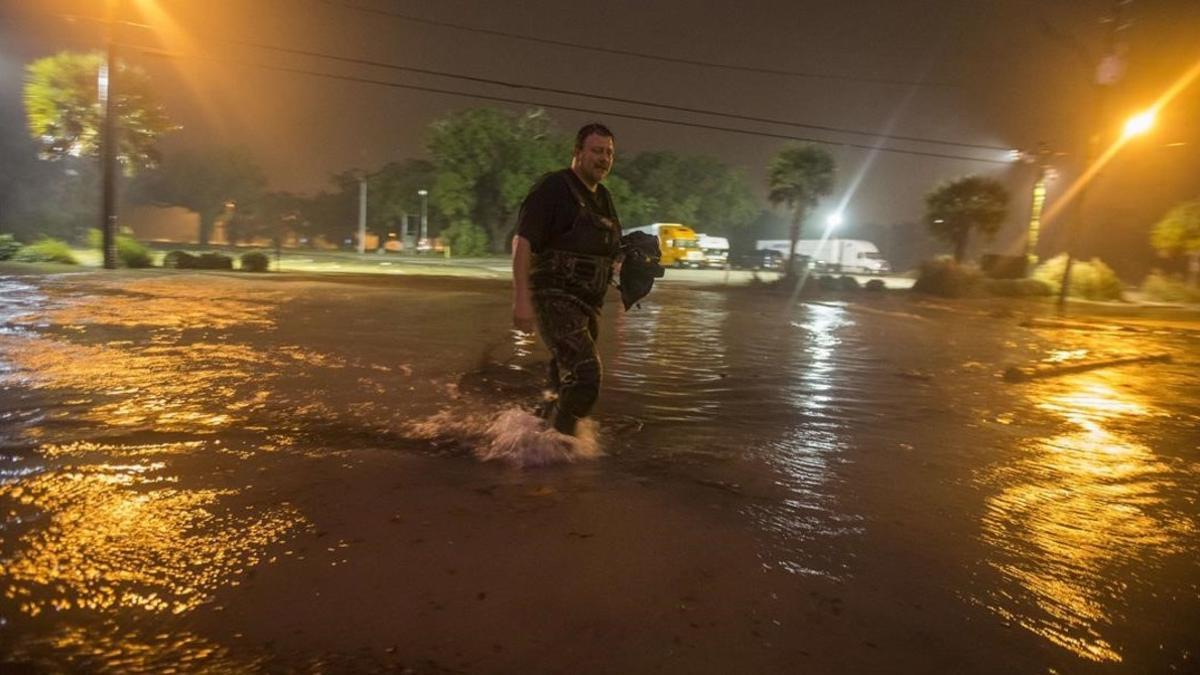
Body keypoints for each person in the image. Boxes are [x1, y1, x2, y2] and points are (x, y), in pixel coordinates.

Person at [512, 123, 621, 436]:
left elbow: (608, 248)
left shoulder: (604, 197)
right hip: (554, 298)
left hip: (588, 306)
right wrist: (521, 299)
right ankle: (559, 445)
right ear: (577, 153)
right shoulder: (553, 188)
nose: (603, 159)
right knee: (586, 375)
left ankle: (531, 440)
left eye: (609, 153)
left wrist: (630, 259)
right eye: (596, 151)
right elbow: (522, 242)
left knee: (561, 383)